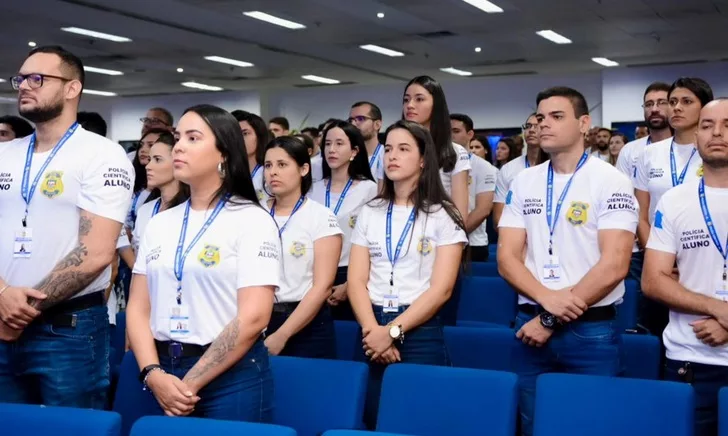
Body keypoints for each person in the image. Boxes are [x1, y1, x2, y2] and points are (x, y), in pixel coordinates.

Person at [498, 86, 638, 436]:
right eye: (541, 117)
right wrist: (546, 304)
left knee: (591, 426)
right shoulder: (524, 181)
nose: (544, 124)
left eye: (557, 116)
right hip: (528, 328)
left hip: (590, 332)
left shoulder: (612, 181)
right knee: (532, 424)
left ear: (583, 124)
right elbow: (507, 258)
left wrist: (549, 318)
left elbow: (615, 265)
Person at [127, 104, 281, 421]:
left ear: (223, 153)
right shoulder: (159, 222)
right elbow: (138, 307)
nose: (179, 146)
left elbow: (254, 317)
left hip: (230, 377)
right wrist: (153, 374)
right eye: (178, 136)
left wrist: (187, 385)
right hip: (160, 371)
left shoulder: (252, 220)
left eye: (193, 138)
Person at [0, 45, 134, 407]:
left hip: (67, 331)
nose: (24, 86)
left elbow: (96, 253)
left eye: (37, 79)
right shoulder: (5, 154)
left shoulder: (102, 155)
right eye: (21, 79)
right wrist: (2, 296)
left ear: (72, 88)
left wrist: (21, 309)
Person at [349, 120, 467, 428]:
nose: (392, 156)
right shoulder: (370, 211)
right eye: (388, 149)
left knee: (420, 419)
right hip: (369, 326)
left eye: (403, 149)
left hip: (419, 329)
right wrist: (372, 331)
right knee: (373, 418)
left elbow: (441, 290)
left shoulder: (444, 215)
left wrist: (391, 333)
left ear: (424, 159)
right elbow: (356, 281)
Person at [642, 98, 728, 436]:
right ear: (696, 135)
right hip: (690, 362)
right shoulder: (675, 200)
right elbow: (653, 281)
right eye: (707, 125)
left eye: (727, 124)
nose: (717, 132)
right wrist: (720, 309)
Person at [634, 77, 713, 335]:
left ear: (705, 108)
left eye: (686, 102)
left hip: (703, 257)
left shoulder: (714, 153)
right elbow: (641, 212)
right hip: (658, 256)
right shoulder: (650, 153)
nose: (676, 108)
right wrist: (657, 256)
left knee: (699, 327)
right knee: (655, 332)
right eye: (673, 101)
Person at [263, 136, 342, 358]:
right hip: (259, 318)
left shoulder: (320, 217)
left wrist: (282, 335)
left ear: (304, 169)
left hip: (307, 323)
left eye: (282, 164)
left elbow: (322, 287)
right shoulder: (253, 214)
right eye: (268, 165)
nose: (273, 172)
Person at [309, 121, 378, 319]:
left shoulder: (368, 190)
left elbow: (374, 243)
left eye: (339, 144)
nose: (331, 149)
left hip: (350, 272)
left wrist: (349, 285)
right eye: (327, 144)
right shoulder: (313, 189)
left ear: (354, 151)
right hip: (315, 274)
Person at [615, 82, 673, 282]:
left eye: (661, 102)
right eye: (648, 104)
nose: (654, 109)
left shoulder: (689, 149)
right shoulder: (630, 150)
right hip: (639, 246)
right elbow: (623, 197)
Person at [403, 76, 470, 221]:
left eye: (419, 99)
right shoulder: (391, 150)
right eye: (406, 100)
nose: (410, 105)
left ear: (436, 105)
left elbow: (460, 215)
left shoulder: (455, 152)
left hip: (440, 234)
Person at [131, 132, 190, 255]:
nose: (148, 166)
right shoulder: (145, 210)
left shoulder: (193, 210)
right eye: (149, 159)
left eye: (157, 159)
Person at [493, 113, 547, 228]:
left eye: (536, 126)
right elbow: (499, 218)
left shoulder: (557, 166)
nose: (531, 130)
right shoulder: (509, 169)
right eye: (528, 126)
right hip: (516, 236)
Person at [232, 110, 270, 203]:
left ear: (259, 136)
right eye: (234, 134)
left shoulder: (269, 174)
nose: (239, 139)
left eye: (245, 133)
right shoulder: (226, 174)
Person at [349, 102, 384, 182]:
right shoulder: (347, 156)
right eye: (351, 120)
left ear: (377, 125)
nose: (353, 124)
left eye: (361, 119)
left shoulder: (386, 155)